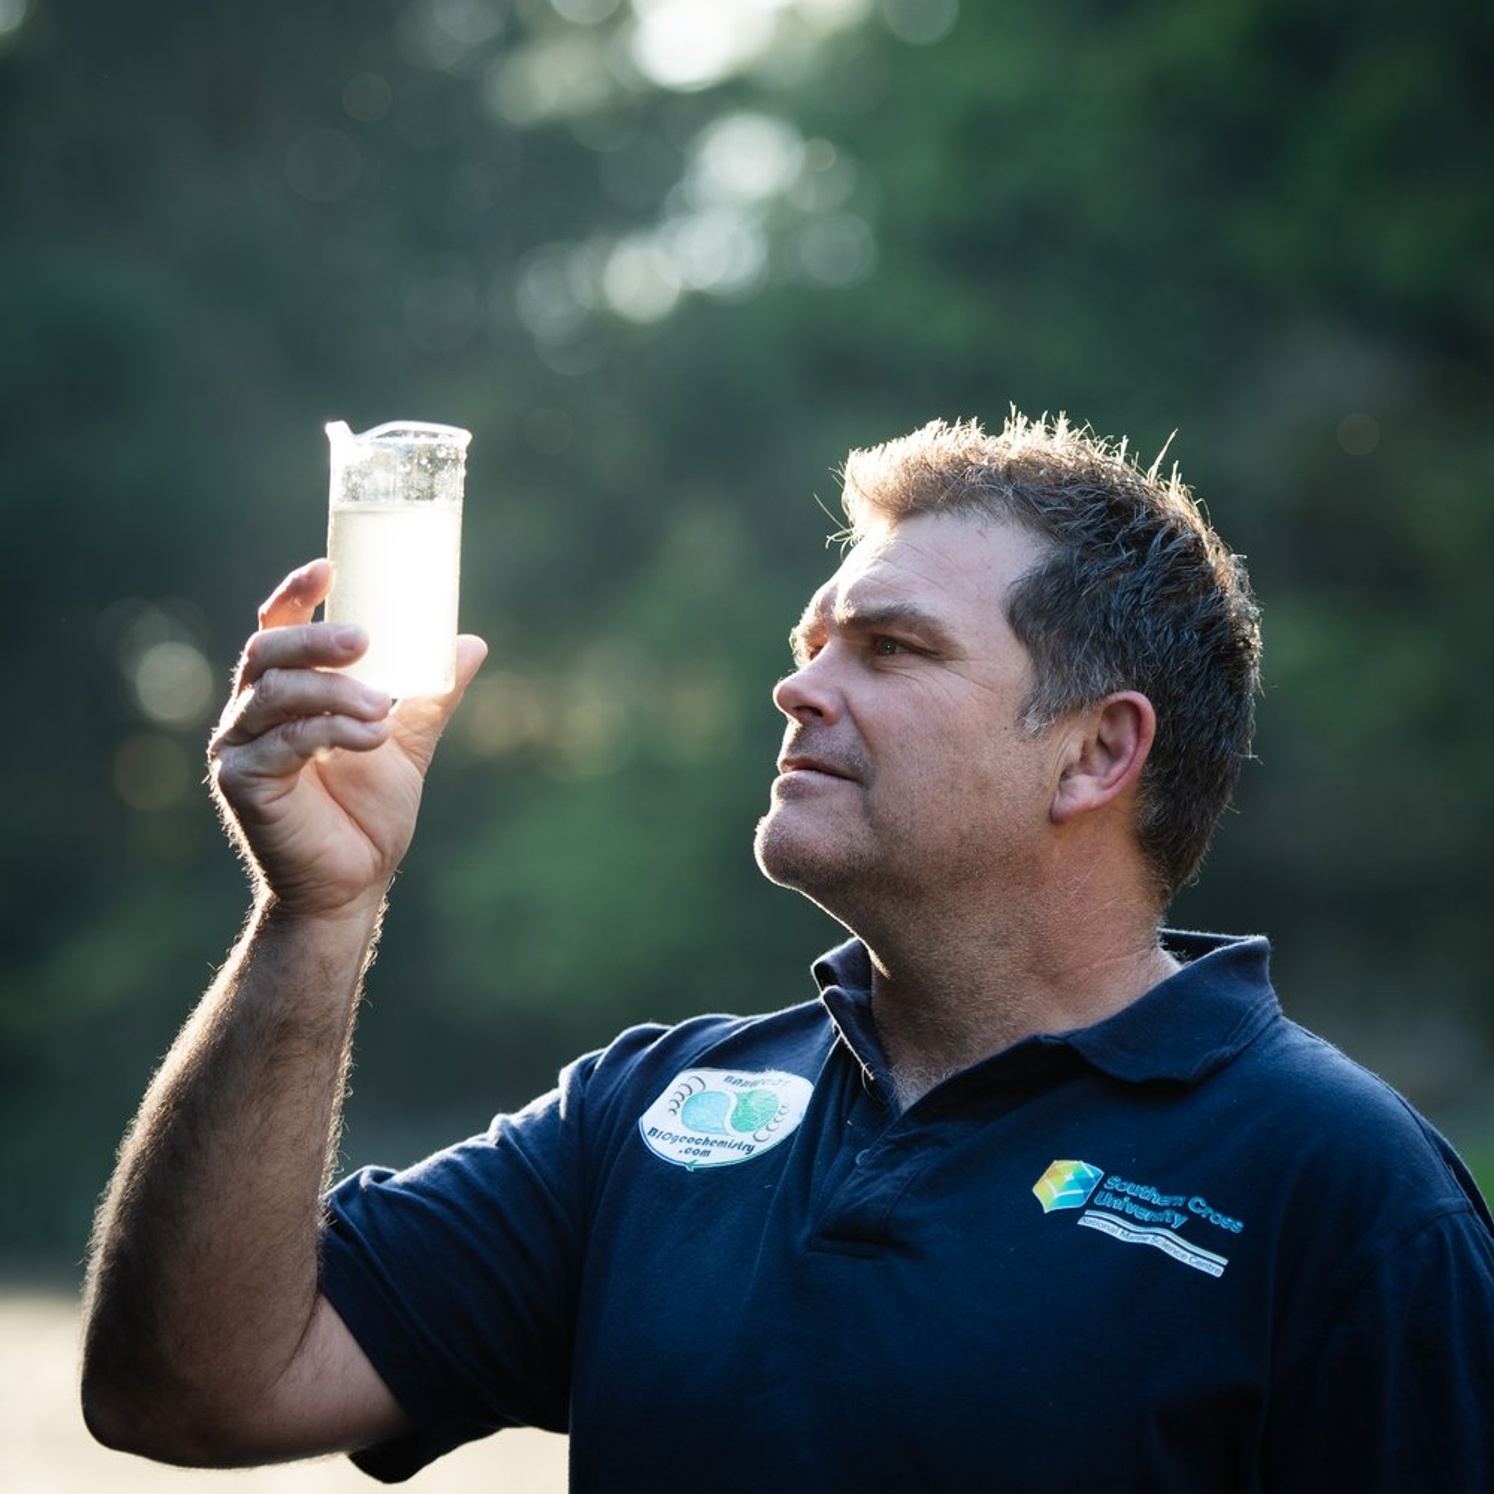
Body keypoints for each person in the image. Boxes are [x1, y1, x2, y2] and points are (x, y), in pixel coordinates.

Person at [81, 413, 1494, 1491]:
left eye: (887, 650)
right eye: (814, 640)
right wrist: (316, 914)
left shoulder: (1345, 1192)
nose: (796, 683)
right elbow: (191, 1390)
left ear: (1094, 752)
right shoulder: (649, 1114)